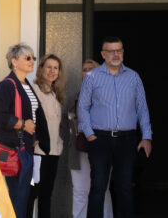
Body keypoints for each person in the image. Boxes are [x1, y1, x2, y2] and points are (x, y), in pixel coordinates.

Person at [78, 36, 152, 218]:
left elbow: (142, 108)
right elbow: (82, 107)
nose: (116, 54)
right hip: (100, 138)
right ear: (103, 54)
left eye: (119, 50)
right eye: (111, 51)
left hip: (127, 140)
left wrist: (147, 137)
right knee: (98, 187)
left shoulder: (133, 77)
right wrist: (89, 135)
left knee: (125, 187)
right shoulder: (92, 77)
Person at [0, 43, 47, 217]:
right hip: (15, 150)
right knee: (17, 199)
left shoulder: (26, 85)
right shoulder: (7, 86)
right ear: (14, 61)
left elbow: (33, 114)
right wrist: (23, 125)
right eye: (27, 58)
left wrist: (36, 135)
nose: (32, 61)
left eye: (33, 58)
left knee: (23, 198)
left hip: (27, 148)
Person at [68, 60, 113, 218]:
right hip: (80, 148)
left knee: (102, 189)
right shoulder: (77, 95)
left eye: (91, 69)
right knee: (79, 190)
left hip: (102, 148)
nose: (86, 72)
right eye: (84, 69)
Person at [28, 54, 65, 218]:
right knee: (31, 195)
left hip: (54, 152)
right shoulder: (33, 90)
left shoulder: (55, 93)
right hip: (38, 152)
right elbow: (28, 117)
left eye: (55, 68)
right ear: (41, 69)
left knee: (46, 195)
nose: (52, 71)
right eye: (48, 67)